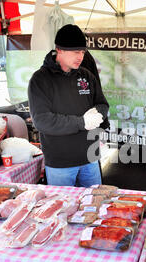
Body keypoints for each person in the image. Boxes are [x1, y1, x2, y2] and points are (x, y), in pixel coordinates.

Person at [28, 24, 109, 187]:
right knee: (62, 208)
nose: (80, 56)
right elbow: (42, 120)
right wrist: (81, 122)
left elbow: (102, 103)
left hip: (90, 158)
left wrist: (98, 114)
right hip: (60, 163)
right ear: (59, 50)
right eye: (75, 52)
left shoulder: (86, 75)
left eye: (82, 52)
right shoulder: (40, 80)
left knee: (94, 206)